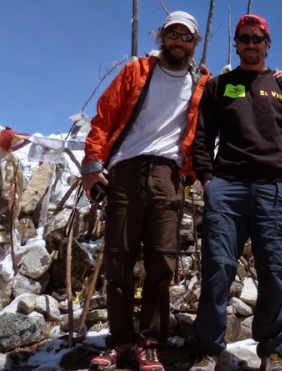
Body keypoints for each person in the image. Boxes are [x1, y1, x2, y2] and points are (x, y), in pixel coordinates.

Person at [81, 10, 210, 371]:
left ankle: (150, 342)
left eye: (186, 37)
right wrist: (92, 164)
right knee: (119, 257)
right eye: (173, 35)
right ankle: (120, 340)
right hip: (126, 170)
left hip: (169, 175)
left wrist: (275, 78)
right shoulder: (136, 70)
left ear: (195, 44)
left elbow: (238, 93)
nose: (179, 42)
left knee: (162, 260)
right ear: (162, 37)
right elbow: (104, 116)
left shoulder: (203, 81)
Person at [190, 14, 282, 371]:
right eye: (243, 38)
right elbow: (202, 138)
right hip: (227, 187)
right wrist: (208, 181)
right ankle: (208, 348)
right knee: (217, 267)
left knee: (275, 271)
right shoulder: (219, 86)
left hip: (275, 190)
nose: (250, 44)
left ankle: (273, 353)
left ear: (267, 43)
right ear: (237, 43)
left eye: (257, 38)